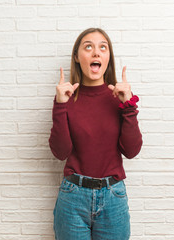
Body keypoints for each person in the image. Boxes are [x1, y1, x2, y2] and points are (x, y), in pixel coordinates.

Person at [48, 28, 143, 240]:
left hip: (113, 198)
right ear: (77, 56)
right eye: (88, 46)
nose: (96, 53)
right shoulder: (67, 98)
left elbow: (132, 150)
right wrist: (60, 105)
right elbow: (60, 152)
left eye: (103, 47)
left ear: (108, 57)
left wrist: (128, 106)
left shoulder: (118, 98)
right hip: (73, 198)